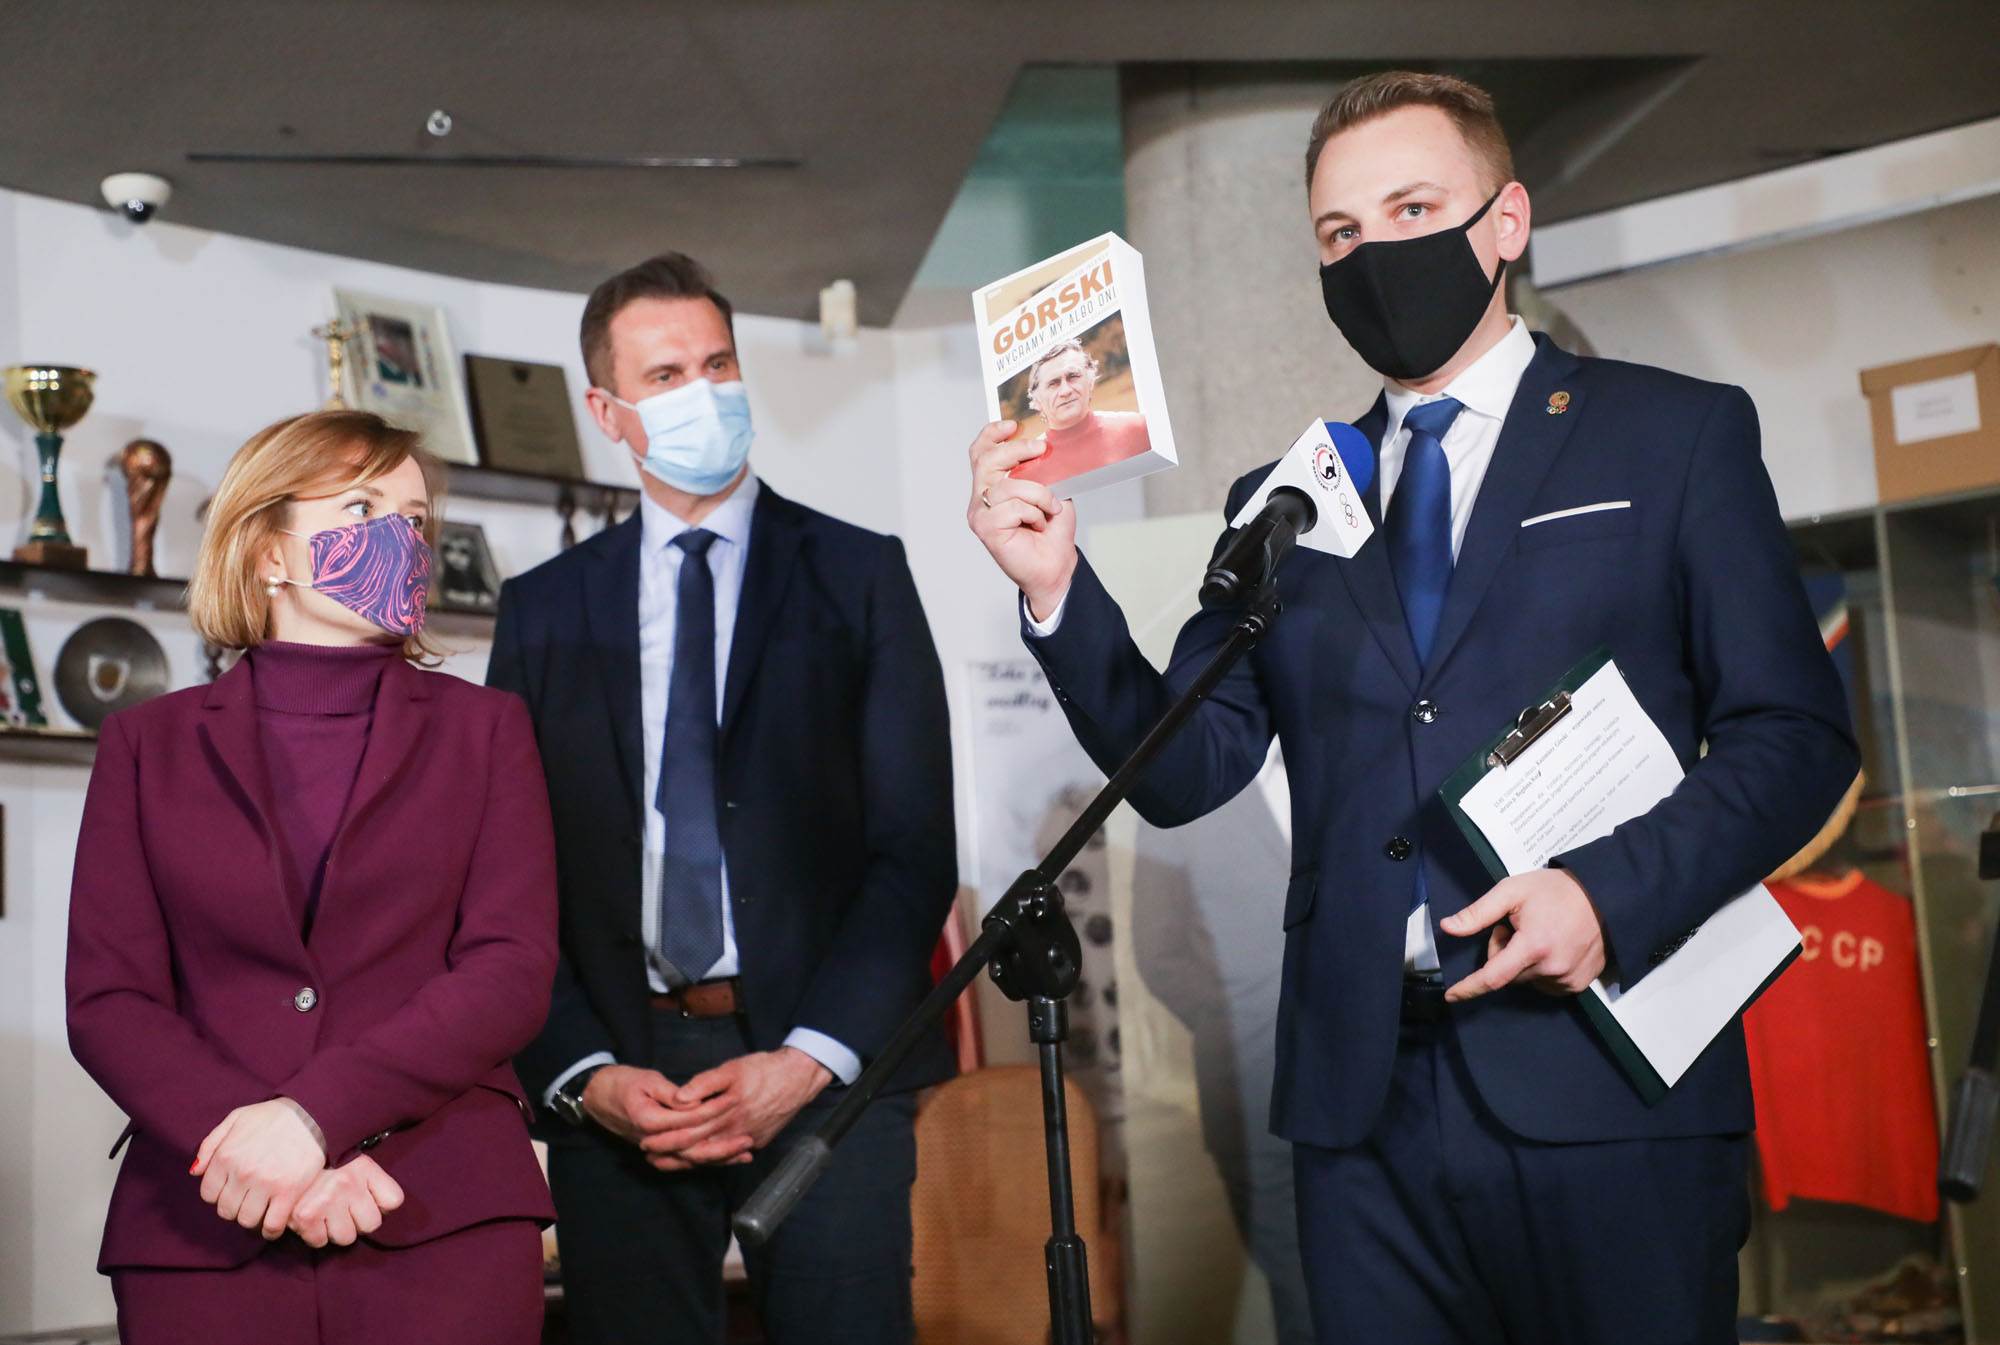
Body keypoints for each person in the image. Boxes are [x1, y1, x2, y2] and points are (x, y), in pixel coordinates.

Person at [966, 71, 1858, 1345]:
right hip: (1362, 1111)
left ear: (1505, 221)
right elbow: (1178, 766)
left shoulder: (1670, 436)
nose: (1373, 251)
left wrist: (1606, 894)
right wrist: (1057, 588)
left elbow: (1795, 739)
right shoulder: (1282, 501)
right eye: (1339, 232)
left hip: (1605, 1082)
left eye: (1411, 209)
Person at [488, 252, 956, 1345]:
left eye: (718, 364)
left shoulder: (860, 574)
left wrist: (807, 1060)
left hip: (825, 1069)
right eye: (664, 376)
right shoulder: (544, 609)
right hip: (623, 1077)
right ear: (607, 411)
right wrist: (584, 1073)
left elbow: (912, 849)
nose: (702, 392)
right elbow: (507, 872)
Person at [66, 410, 560, 1344]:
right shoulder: (145, 743)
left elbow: (509, 971)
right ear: (268, 551)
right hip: (206, 1222)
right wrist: (266, 1147)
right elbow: (110, 999)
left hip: (440, 1212)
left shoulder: (488, 730)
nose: (401, 540)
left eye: (414, 520)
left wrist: (312, 1118)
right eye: (363, 508)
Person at [1008, 338, 1151, 487]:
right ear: (1037, 400)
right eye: (1053, 383)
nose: (1065, 391)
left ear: (1090, 382)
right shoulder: (1023, 473)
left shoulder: (1137, 427)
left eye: (1073, 377)